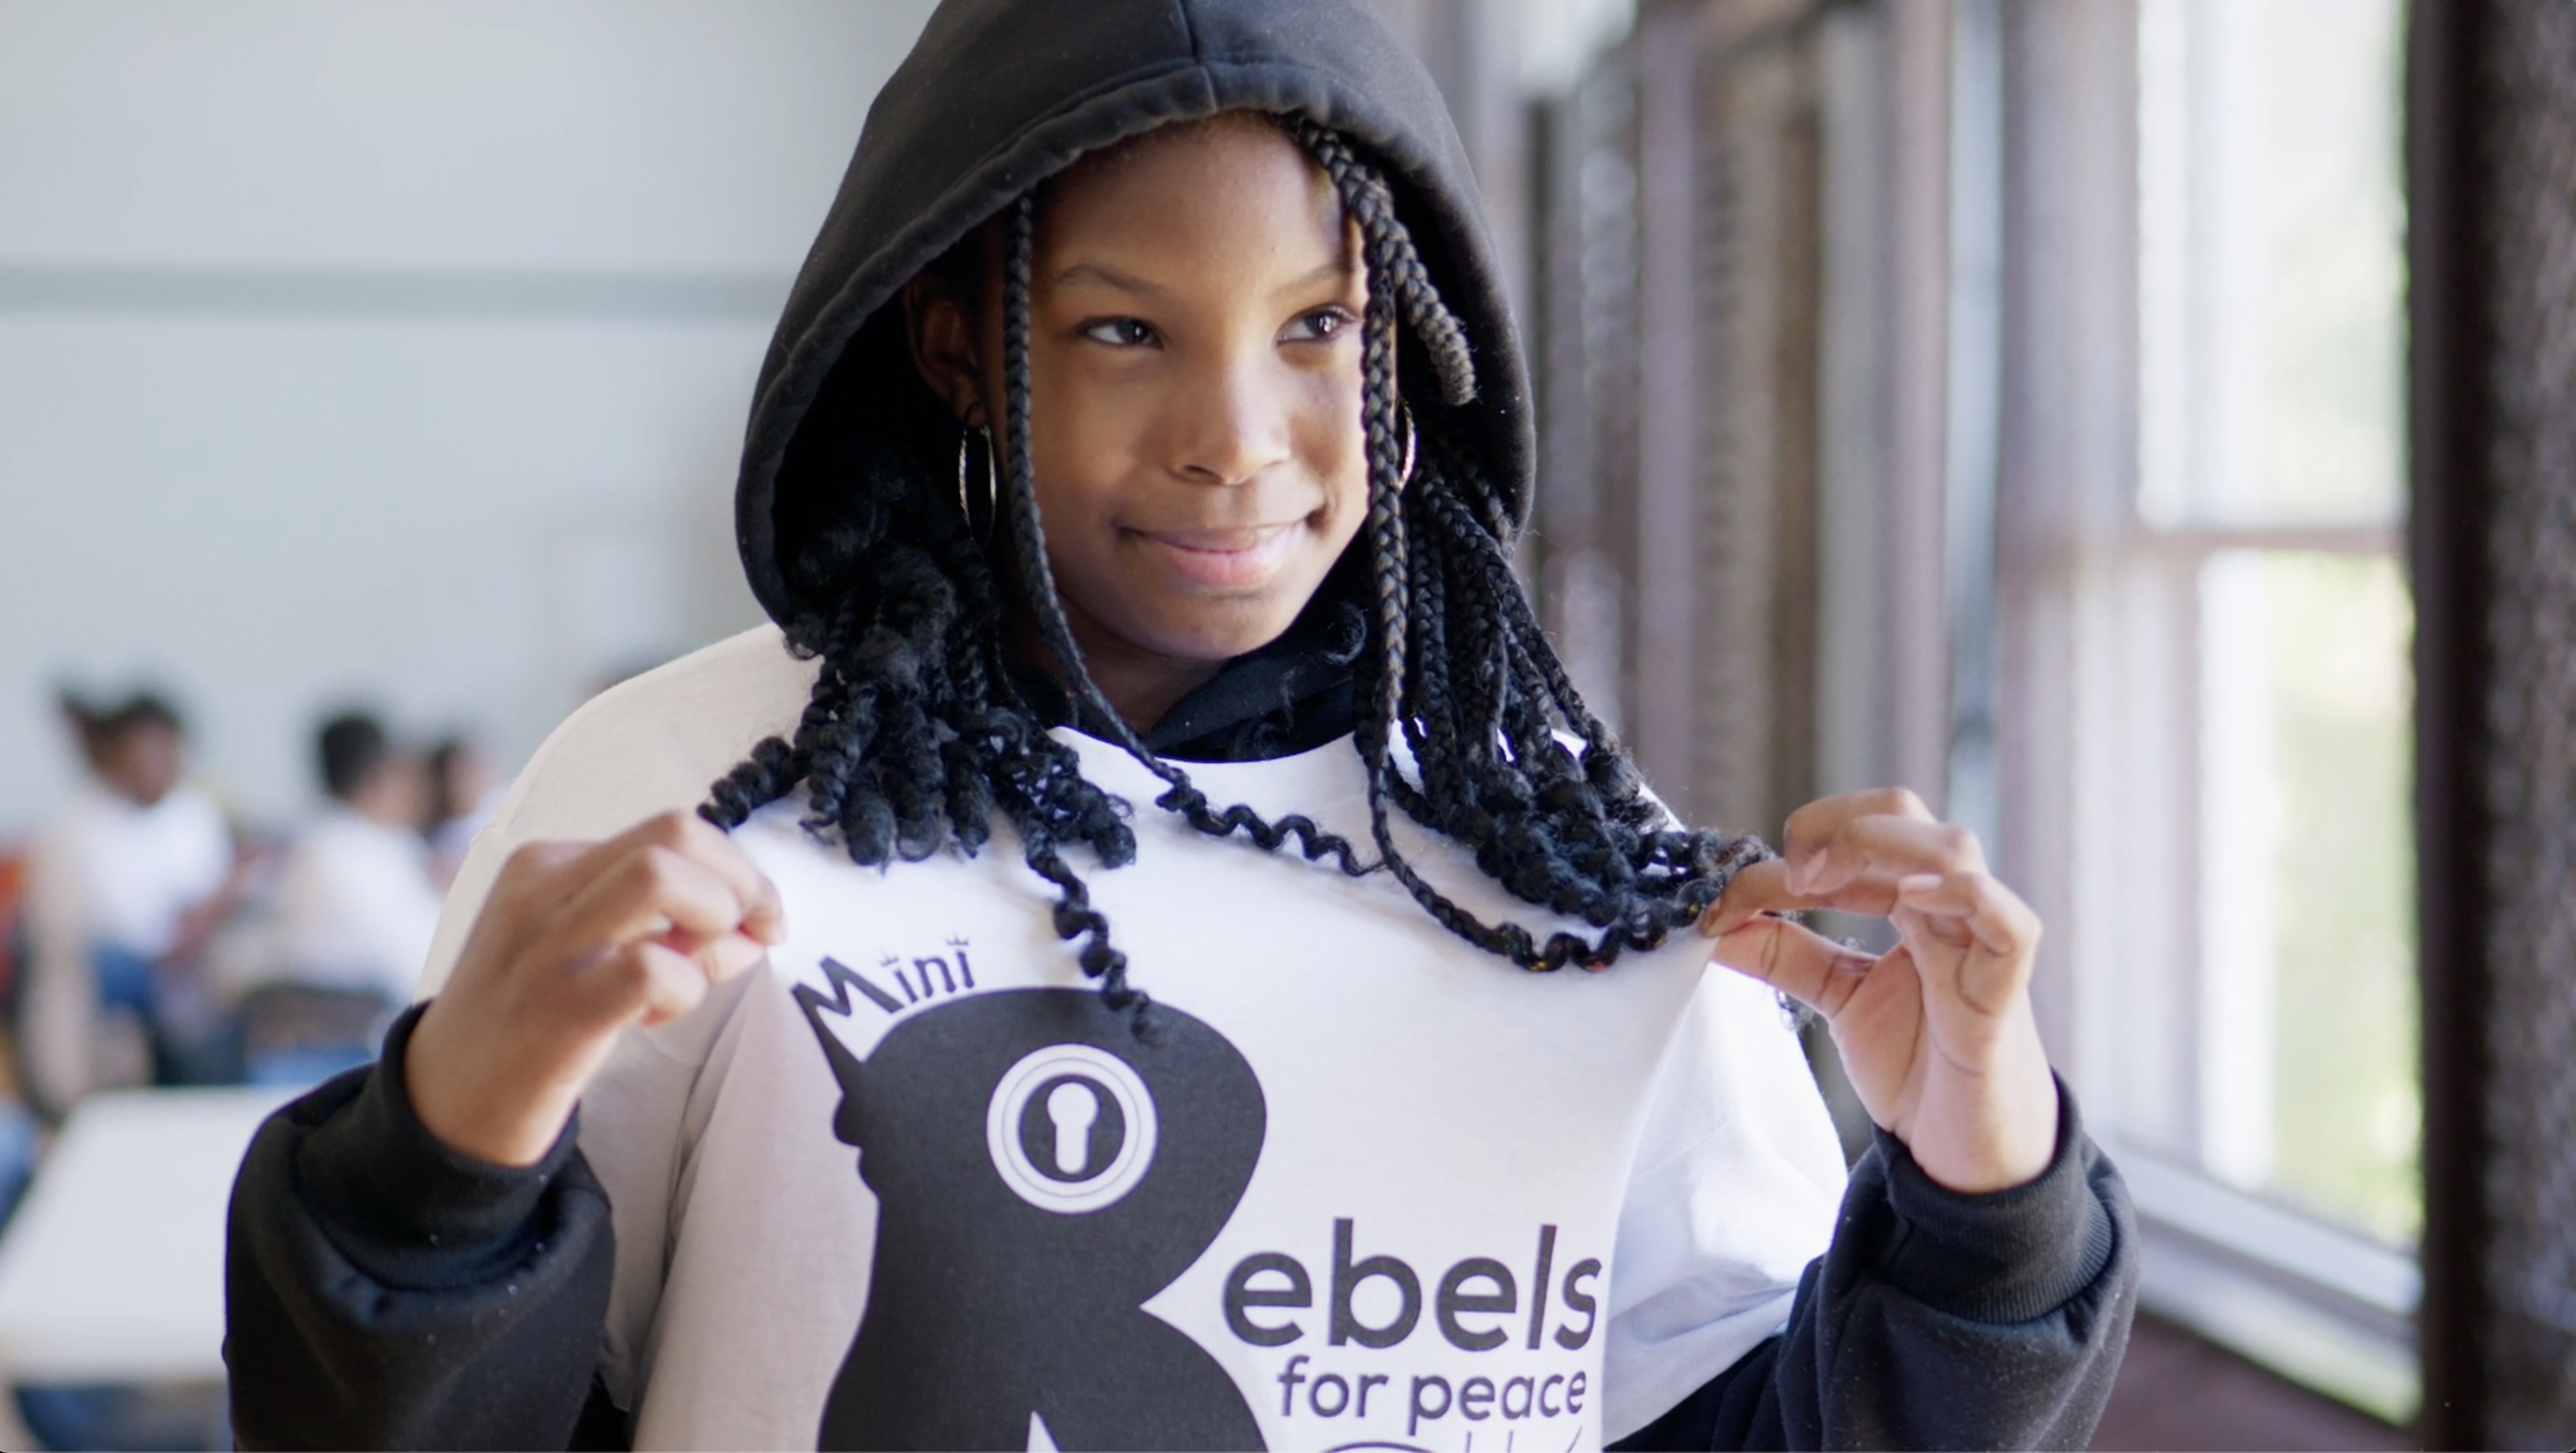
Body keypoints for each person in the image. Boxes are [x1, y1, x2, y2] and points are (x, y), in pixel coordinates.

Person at [224, 2, 2136, 1448]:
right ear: (961, 340)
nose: (1237, 438)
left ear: (1408, 346)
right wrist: (439, 1161)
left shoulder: (1557, 845)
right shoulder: (699, 804)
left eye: (1316, 328)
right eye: (1124, 330)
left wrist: (1990, 1195)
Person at [20, 690, 243, 1111]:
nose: (158, 762)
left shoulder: (192, 811)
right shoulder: (80, 826)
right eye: (146, 750)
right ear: (117, 754)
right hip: (110, 988)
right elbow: (144, 938)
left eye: (168, 749)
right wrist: (214, 902)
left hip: (191, 976)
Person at [270, 712, 443, 1008]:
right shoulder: (333, 850)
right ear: (379, 777)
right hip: (366, 1021)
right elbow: (410, 960)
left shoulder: (392, 843)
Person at [422, 735, 502, 891]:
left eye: (471, 771)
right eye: (457, 777)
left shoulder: (502, 804)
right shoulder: (441, 839)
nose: (466, 784)